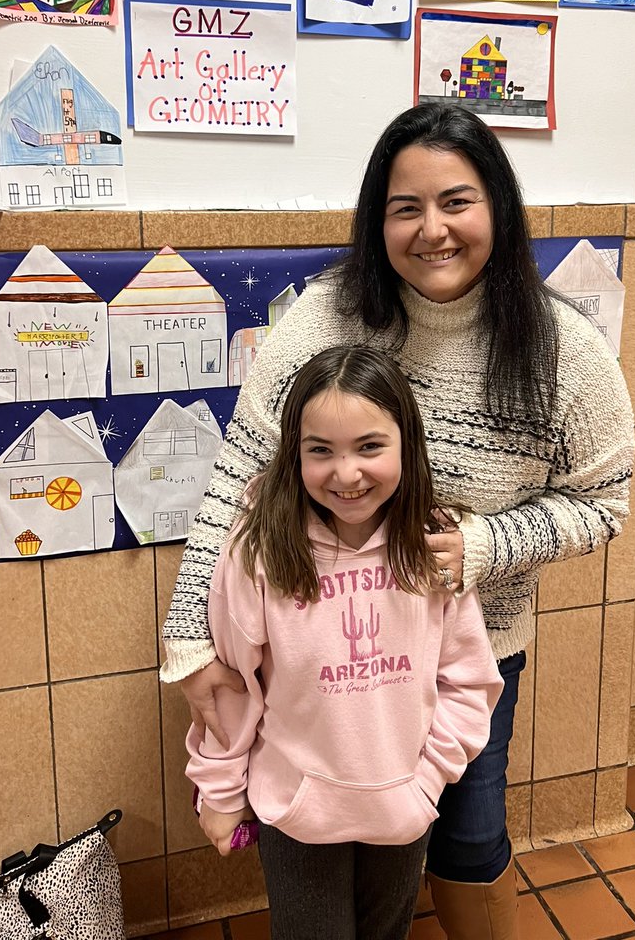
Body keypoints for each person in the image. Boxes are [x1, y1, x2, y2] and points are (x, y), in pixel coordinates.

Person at [163, 102, 635, 940]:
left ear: (497, 205)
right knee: (338, 856)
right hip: (323, 663)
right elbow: (238, 478)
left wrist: (483, 547)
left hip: (470, 647)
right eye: (405, 207)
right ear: (376, 217)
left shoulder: (561, 345)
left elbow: (607, 502)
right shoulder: (327, 317)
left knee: (468, 835)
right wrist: (189, 639)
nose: (433, 230)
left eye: (456, 201)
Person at [186, 345, 503, 940]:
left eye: (369, 446)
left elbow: (469, 679)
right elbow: (229, 685)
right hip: (297, 810)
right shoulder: (259, 549)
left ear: (406, 444)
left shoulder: (434, 546)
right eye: (320, 451)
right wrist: (221, 789)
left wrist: (425, 779)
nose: (346, 473)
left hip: (403, 806)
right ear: (294, 454)